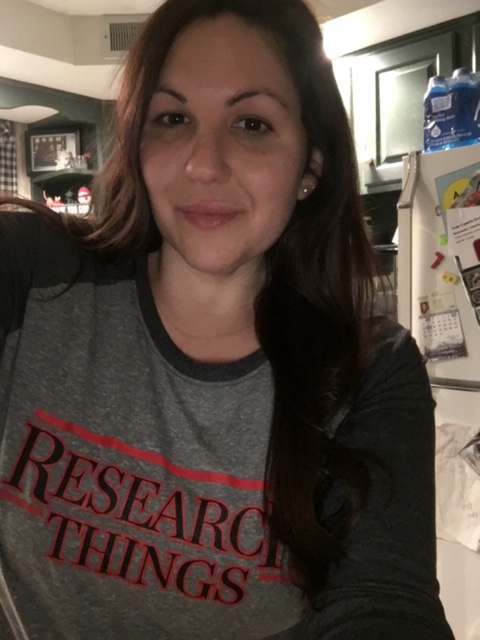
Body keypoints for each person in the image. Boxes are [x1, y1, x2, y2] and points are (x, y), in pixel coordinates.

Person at [0, 0, 455, 638]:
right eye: (173, 118)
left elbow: (383, 603)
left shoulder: (373, 368)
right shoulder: (31, 273)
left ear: (311, 165)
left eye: (251, 123)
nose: (203, 164)